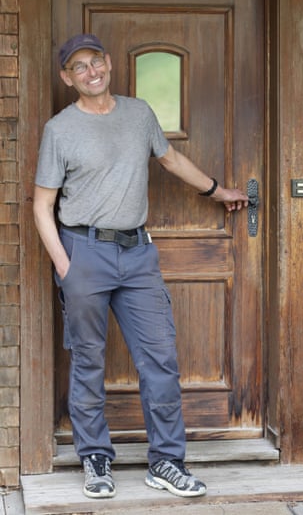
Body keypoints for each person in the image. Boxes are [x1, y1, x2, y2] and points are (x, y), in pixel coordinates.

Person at [33, 33, 249, 500]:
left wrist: (218, 191)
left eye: (96, 61)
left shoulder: (139, 114)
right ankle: (95, 458)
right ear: (66, 77)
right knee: (88, 360)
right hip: (83, 251)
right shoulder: (60, 130)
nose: (91, 71)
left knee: (160, 361)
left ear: (108, 63)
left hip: (137, 255)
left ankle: (166, 462)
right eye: (79, 67)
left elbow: (170, 159)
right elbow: (42, 204)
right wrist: (65, 266)